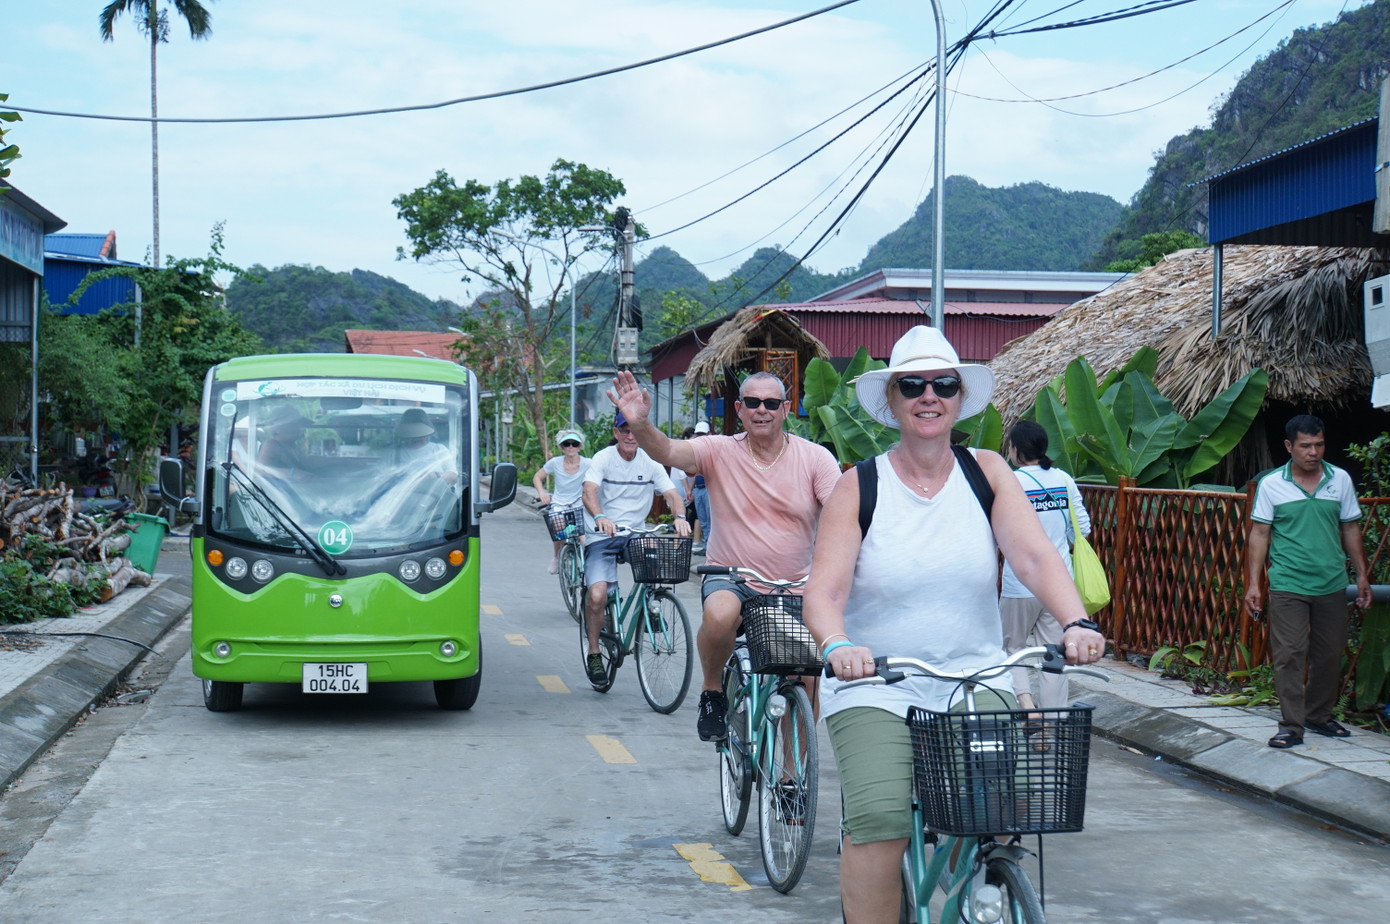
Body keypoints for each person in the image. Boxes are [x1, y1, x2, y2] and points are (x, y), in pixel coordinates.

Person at [800, 326, 1105, 922]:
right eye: (911, 385)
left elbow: (1036, 556)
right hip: (877, 685)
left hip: (974, 675)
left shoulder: (987, 471)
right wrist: (838, 644)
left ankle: (981, 890)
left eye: (943, 384)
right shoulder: (857, 485)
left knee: (1003, 811)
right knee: (883, 821)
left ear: (960, 397)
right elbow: (824, 591)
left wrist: (1075, 620)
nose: (928, 396)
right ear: (891, 400)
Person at [608, 370, 841, 741]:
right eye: (752, 402)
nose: (761, 410)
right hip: (730, 576)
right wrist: (639, 424)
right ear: (739, 408)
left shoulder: (815, 459)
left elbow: (841, 514)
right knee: (720, 615)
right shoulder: (717, 449)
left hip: (795, 584)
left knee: (806, 678)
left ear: (786, 409)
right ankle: (713, 691)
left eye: (770, 403)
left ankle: (792, 779)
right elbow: (668, 450)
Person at [1244, 414, 1370, 749]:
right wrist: (1254, 584)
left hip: (1331, 582)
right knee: (1289, 654)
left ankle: (1319, 716)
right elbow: (1260, 534)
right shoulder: (1273, 484)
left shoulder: (1339, 479)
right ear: (1289, 447)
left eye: (1319, 444)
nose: (1313, 452)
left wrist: (1361, 574)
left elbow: (1350, 527)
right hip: (1288, 583)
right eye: (1305, 446)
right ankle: (1291, 725)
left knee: (1329, 654)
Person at [580, 412, 690, 685]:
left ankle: (652, 608)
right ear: (616, 433)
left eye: (634, 431)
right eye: (624, 430)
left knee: (655, 557)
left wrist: (679, 517)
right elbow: (588, 492)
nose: (630, 436)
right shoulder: (603, 458)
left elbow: (673, 494)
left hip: (634, 534)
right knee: (597, 595)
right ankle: (594, 652)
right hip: (602, 534)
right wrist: (600, 517)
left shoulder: (650, 462)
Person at [1000, 419, 1093, 714]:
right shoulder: (1064, 480)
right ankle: (1050, 724)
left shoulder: (1010, 482)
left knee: (1010, 649)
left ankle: (1026, 705)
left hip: (1019, 583)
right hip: (1058, 583)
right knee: (1054, 654)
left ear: (1015, 450)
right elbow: (1084, 528)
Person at [533, 428, 591, 574]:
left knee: (583, 538)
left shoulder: (588, 463)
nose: (571, 447)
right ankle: (557, 556)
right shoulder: (555, 463)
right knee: (558, 526)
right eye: (567, 444)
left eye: (574, 444)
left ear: (580, 446)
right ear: (562, 446)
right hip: (559, 504)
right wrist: (542, 493)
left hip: (579, 504)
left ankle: (589, 567)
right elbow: (537, 477)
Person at [393, 407, 457, 482]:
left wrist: (435, 475)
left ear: (427, 434)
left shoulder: (439, 449)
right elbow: (379, 479)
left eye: (420, 433)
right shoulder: (393, 453)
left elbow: (454, 477)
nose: (416, 437)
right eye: (411, 433)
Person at [256, 405, 314, 481]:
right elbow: (261, 470)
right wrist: (292, 473)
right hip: (275, 492)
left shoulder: (293, 447)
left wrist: (333, 461)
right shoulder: (271, 445)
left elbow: (308, 461)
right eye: (294, 424)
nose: (298, 428)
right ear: (277, 429)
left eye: (299, 424)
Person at [689, 419, 713, 554]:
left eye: (703, 434)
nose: (700, 437)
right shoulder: (695, 450)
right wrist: (690, 489)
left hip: (709, 488)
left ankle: (710, 547)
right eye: (698, 434)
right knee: (703, 519)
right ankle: (706, 546)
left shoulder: (713, 449)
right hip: (698, 488)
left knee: (710, 520)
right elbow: (694, 472)